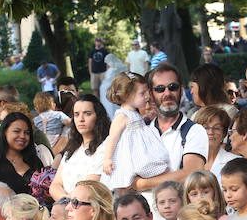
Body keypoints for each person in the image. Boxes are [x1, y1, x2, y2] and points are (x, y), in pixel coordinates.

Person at [128, 63, 209, 195]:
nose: (167, 93)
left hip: (181, 213)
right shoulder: (141, 131)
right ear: (151, 94)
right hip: (144, 213)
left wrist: (142, 183)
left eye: (173, 87)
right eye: (160, 89)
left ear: (181, 91)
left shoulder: (194, 131)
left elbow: (190, 175)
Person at [100, 72, 169, 191]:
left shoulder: (134, 113)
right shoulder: (121, 116)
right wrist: (107, 158)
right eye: (142, 93)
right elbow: (112, 138)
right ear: (127, 96)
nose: (147, 96)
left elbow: (138, 127)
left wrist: (145, 118)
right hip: (131, 153)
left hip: (142, 150)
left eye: (147, 92)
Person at [48, 95, 109, 201]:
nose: (81, 119)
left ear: (98, 117)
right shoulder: (72, 149)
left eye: (87, 114)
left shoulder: (105, 147)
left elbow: (88, 188)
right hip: (67, 208)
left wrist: (71, 202)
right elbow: (55, 185)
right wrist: (66, 201)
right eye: (76, 115)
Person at [0, 112, 42, 195]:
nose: (22, 136)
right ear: (4, 132)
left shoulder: (34, 161)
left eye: (27, 133)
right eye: (16, 131)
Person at [196, 106, 237, 179]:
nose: (211, 132)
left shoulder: (235, 162)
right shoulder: (186, 161)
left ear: (224, 133)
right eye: (206, 128)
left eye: (216, 128)